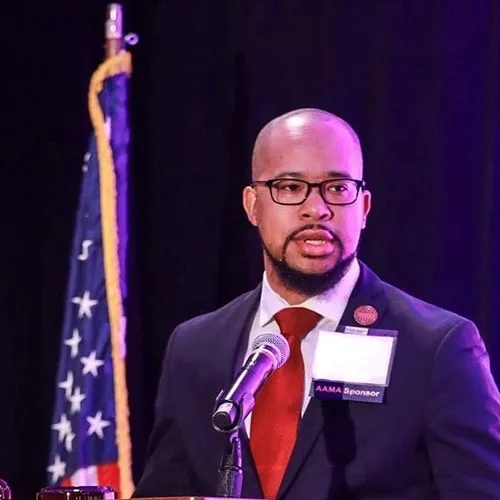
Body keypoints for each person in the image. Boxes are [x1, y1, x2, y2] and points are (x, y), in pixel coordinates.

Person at [133, 108, 500, 499]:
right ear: (252, 205)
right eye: (290, 187)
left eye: (338, 188)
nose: (317, 208)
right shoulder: (194, 347)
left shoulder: (437, 347)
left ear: (363, 208)